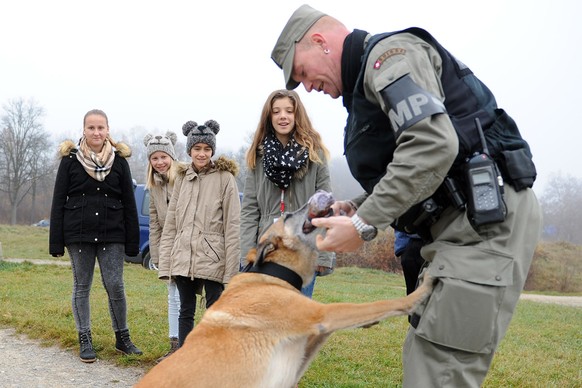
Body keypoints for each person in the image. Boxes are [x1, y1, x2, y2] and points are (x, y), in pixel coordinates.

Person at [271, 5, 542, 387]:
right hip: (460, 227)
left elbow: (432, 145)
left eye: (302, 73)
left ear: (319, 42)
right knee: (426, 357)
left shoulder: (389, 58)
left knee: (439, 369)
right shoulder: (366, 83)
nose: (308, 87)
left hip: (481, 225)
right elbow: (416, 165)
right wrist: (356, 207)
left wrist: (364, 224)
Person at [49, 109, 142, 363]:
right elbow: (58, 201)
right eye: (91, 128)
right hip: (78, 234)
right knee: (81, 286)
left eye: (101, 128)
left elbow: (129, 204)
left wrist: (132, 241)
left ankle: (122, 338)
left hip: (113, 233)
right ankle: (85, 338)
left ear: (108, 130)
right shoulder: (70, 160)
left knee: (115, 285)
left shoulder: (120, 161)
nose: (96, 132)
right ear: (84, 130)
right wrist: (55, 241)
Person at [240, 89, 335, 298]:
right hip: (267, 249)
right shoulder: (257, 156)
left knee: (296, 319)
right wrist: (246, 253)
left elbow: (325, 206)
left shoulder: (314, 154)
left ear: (296, 115)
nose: (283, 116)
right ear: (269, 116)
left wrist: (324, 256)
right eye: (276, 111)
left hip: (304, 249)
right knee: (266, 315)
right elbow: (249, 210)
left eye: (289, 111)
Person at [157, 119, 241, 348]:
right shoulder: (183, 178)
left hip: (214, 258)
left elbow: (232, 226)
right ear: (189, 150)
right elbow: (172, 223)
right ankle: (185, 360)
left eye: (206, 149)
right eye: (197, 149)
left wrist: (231, 270)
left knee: (213, 314)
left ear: (212, 150)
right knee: (185, 311)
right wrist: (167, 262)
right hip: (185, 255)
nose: (201, 154)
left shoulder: (225, 179)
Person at [143, 131, 187, 363]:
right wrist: (157, 252)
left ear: (171, 155)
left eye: (163, 157)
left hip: (189, 245)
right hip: (168, 249)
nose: (159, 162)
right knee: (173, 296)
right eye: (154, 158)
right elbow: (154, 222)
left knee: (189, 298)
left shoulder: (185, 177)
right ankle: (175, 343)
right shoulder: (154, 187)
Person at [393, 230, 425, 296]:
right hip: (410, 245)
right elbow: (399, 224)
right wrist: (402, 249)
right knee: (412, 292)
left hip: (434, 244)